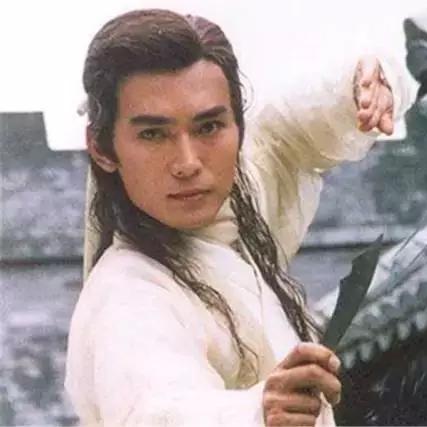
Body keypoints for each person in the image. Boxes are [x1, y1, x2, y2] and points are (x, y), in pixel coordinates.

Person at [65, 8, 415, 427]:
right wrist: (256, 412)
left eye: (208, 127)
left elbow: (288, 131)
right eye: (153, 134)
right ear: (102, 149)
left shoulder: (231, 206)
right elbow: (156, 411)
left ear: (236, 127)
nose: (188, 162)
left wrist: (360, 89)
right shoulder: (128, 296)